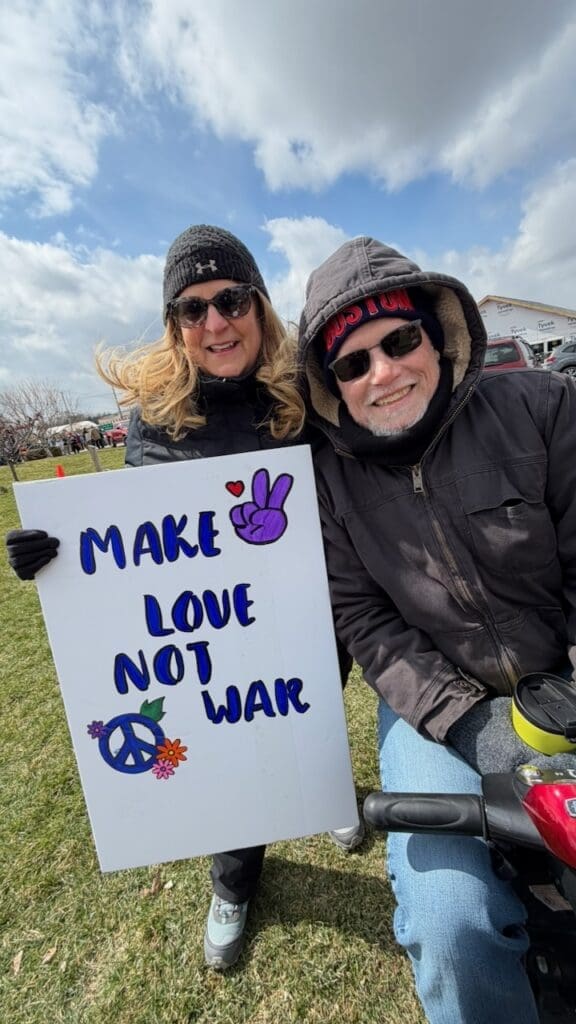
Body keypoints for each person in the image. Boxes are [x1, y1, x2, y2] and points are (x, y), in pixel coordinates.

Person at [5, 223, 363, 972]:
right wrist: (58, 558)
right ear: (174, 327)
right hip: (205, 635)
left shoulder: (307, 398)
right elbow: (134, 549)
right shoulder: (155, 421)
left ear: (259, 306)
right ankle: (234, 881)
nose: (214, 322)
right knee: (234, 752)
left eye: (231, 299)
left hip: (307, 621)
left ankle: (326, 799)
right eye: (191, 309)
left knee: (308, 721)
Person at [298, 234, 576, 1024]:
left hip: (563, 674)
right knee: (449, 923)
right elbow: (365, 621)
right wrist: (470, 725)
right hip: (432, 711)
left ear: (437, 333)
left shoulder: (544, 406)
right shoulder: (325, 481)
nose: (383, 372)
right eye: (352, 363)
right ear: (331, 386)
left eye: (399, 340)